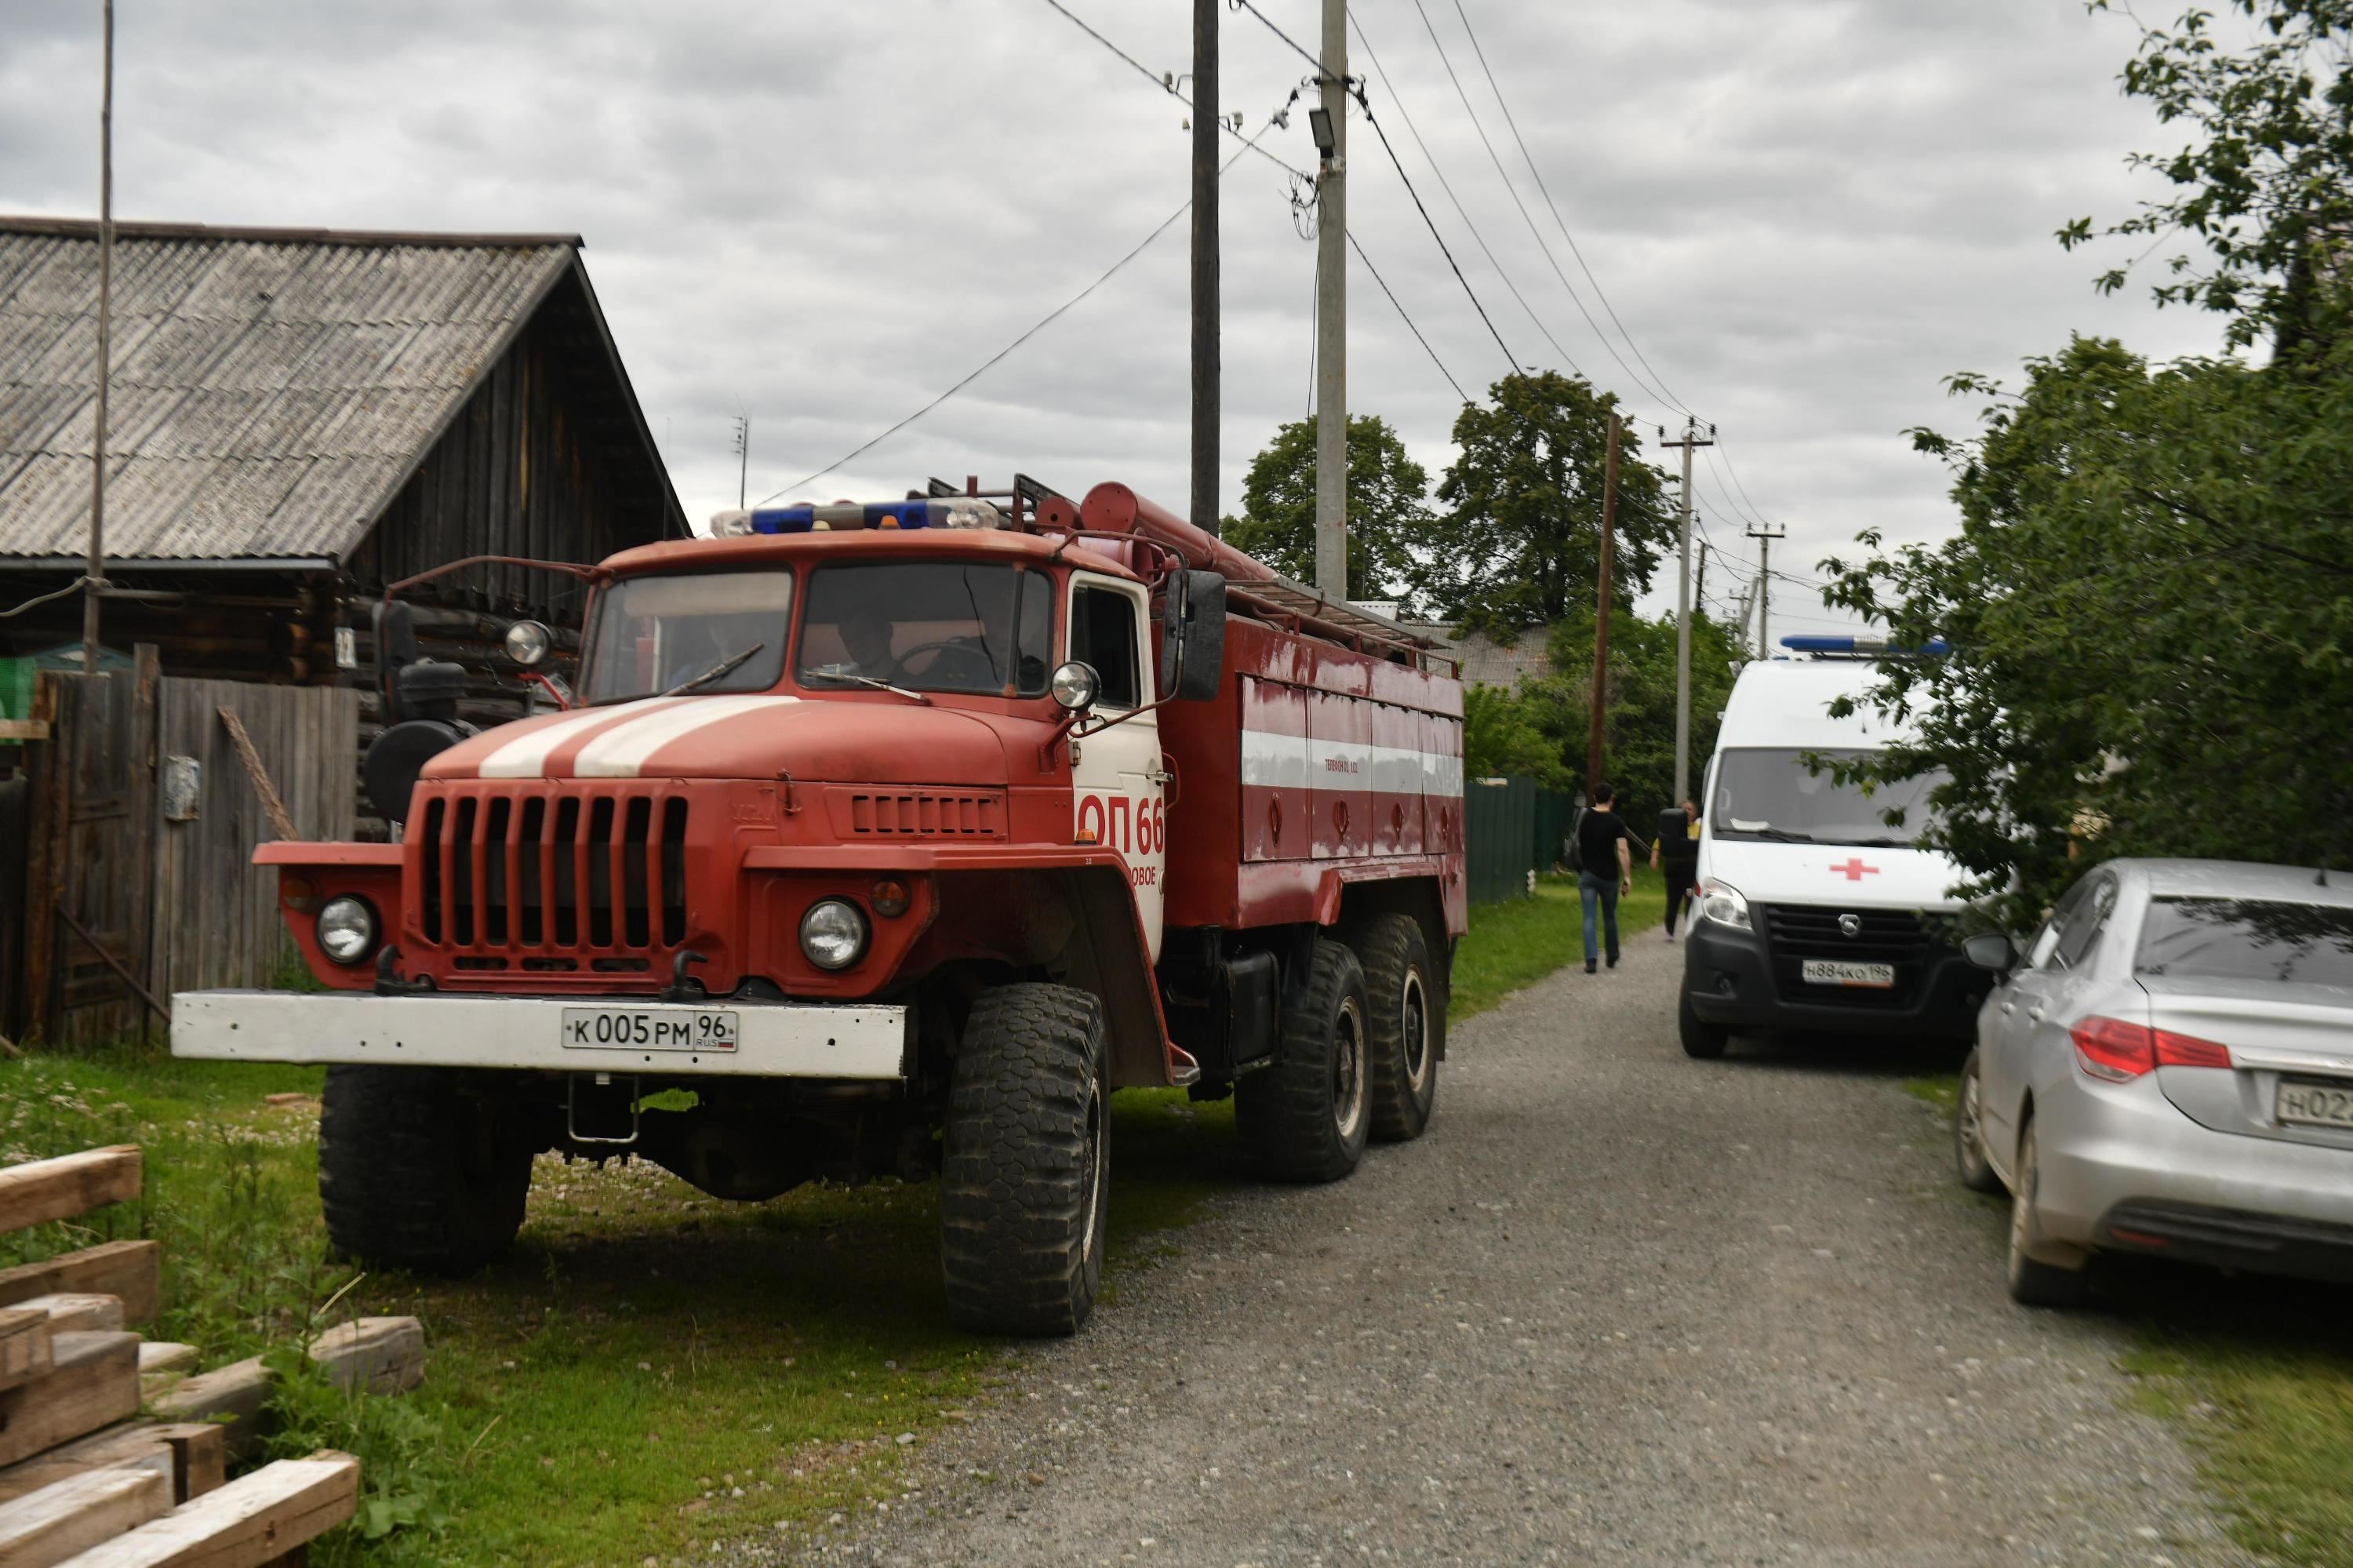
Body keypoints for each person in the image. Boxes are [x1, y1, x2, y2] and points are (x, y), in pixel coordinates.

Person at [1574, 783, 1642, 973]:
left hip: (1588, 875)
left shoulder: (1584, 819)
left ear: (1594, 797)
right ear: (1611, 798)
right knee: (1610, 916)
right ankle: (1612, 956)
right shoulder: (1616, 822)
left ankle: (1591, 960)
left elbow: (1578, 843)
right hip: (1609, 877)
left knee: (1589, 917)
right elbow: (1622, 850)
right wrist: (1627, 876)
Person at [1651, 798, 1701, 942]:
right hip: (1673, 871)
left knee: (1691, 903)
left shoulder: (1699, 828)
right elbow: (1658, 844)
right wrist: (1654, 858)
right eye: (1684, 809)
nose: (1686, 811)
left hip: (1692, 872)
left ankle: (1691, 931)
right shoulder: (1670, 830)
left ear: (1694, 813)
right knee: (1673, 902)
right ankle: (1669, 931)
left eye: (1690, 809)